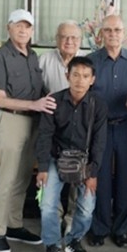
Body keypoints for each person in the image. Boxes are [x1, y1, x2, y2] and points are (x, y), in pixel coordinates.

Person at [0, 9, 57, 252]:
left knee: (23, 177)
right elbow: (0, 99)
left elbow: (40, 91)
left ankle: (14, 225)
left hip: (33, 122)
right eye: (18, 26)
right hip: (11, 120)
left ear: (32, 30)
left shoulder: (33, 56)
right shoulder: (0, 57)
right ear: (9, 28)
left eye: (27, 26)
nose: (23, 30)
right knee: (6, 177)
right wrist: (34, 105)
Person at [35, 56, 108, 252]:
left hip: (85, 161)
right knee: (48, 203)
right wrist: (42, 167)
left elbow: (99, 141)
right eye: (75, 75)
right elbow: (44, 135)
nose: (80, 80)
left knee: (86, 206)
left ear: (92, 80)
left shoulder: (99, 105)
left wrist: (92, 174)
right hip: (55, 157)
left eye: (85, 76)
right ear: (67, 76)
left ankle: (73, 240)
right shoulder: (54, 101)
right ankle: (52, 245)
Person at [87, 15, 127, 248]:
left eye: (117, 30)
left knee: (126, 180)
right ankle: (99, 228)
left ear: (124, 33)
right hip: (100, 128)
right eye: (108, 30)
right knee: (101, 178)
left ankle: (121, 230)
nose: (113, 35)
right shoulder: (91, 61)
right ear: (101, 34)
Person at [38, 20, 84, 233]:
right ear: (56, 39)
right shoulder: (44, 61)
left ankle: (72, 218)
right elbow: (36, 92)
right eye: (64, 37)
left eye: (74, 38)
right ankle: (53, 218)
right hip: (52, 129)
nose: (69, 41)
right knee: (51, 176)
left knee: (77, 176)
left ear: (80, 41)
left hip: (79, 131)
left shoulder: (87, 61)